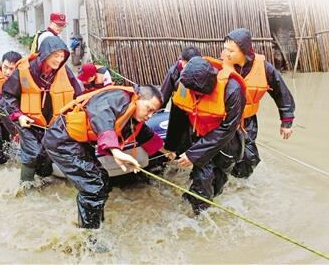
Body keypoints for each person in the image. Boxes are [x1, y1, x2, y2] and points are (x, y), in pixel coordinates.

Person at [43, 85, 164, 229]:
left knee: (102, 179)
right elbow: (100, 113)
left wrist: (167, 152)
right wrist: (115, 150)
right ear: (138, 98)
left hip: (77, 143)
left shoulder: (133, 115)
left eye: (154, 112)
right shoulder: (118, 98)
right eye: (149, 109)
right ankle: (90, 239)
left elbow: (145, 134)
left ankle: (96, 224)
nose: (150, 116)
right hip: (61, 140)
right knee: (93, 186)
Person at [164, 56, 246, 214]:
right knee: (202, 181)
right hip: (198, 134)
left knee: (218, 183)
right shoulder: (183, 85)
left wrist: (194, 154)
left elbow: (229, 128)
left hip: (227, 142)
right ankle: (197, 216)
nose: (193, 94)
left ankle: (198, 203)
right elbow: (177, 117)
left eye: (198, 92)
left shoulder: (232, 89)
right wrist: (171, 147)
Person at [2, 36, 81, 183]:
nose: (59, 60)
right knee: (32, 152)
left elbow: (78, 95)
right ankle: (24, 186)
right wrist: (18, 115)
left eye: (62, 56)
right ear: (45, 53)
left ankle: (43, 182)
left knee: (48, 154)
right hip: (27, 120)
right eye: (55, 55)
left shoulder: (65, 71)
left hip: (52, 121)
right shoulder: (23, 70)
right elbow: (7, 95)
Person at [221, 28, 295, 179]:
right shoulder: (220, 66)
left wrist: (286, 121)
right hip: (225, 121)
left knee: (248, 158)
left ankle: (242, 185)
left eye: (231, 50)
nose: (226, 54)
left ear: (243, 51)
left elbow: (282, 93)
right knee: (223, 156)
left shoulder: (264, 68)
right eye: (225, 49)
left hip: (248, 122)